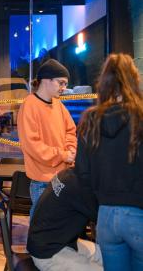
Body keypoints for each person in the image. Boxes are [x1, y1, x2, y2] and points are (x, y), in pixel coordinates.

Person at [76, 53, 143, 271]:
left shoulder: (91, 119)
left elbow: (82, 174)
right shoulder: (140, 116)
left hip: (105, 217)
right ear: (134, 80)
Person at [17, 59, 77, 219]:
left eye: (65, 84)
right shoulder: (29, 105)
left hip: (62, 177)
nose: (64, 88)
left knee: (59, 227)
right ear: (46, 80)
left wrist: (71, 149)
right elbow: (32, 145)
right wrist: (63, 155)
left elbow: (70, 131)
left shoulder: (59, 105)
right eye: (61, 83)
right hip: (42, 182)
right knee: (41, 230)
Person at [28, 168, 103, 270]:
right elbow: (106, 220)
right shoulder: (81, 187)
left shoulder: (68, 174)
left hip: (54, 243)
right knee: (113, 262)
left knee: (106, 255)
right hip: (48, 255)